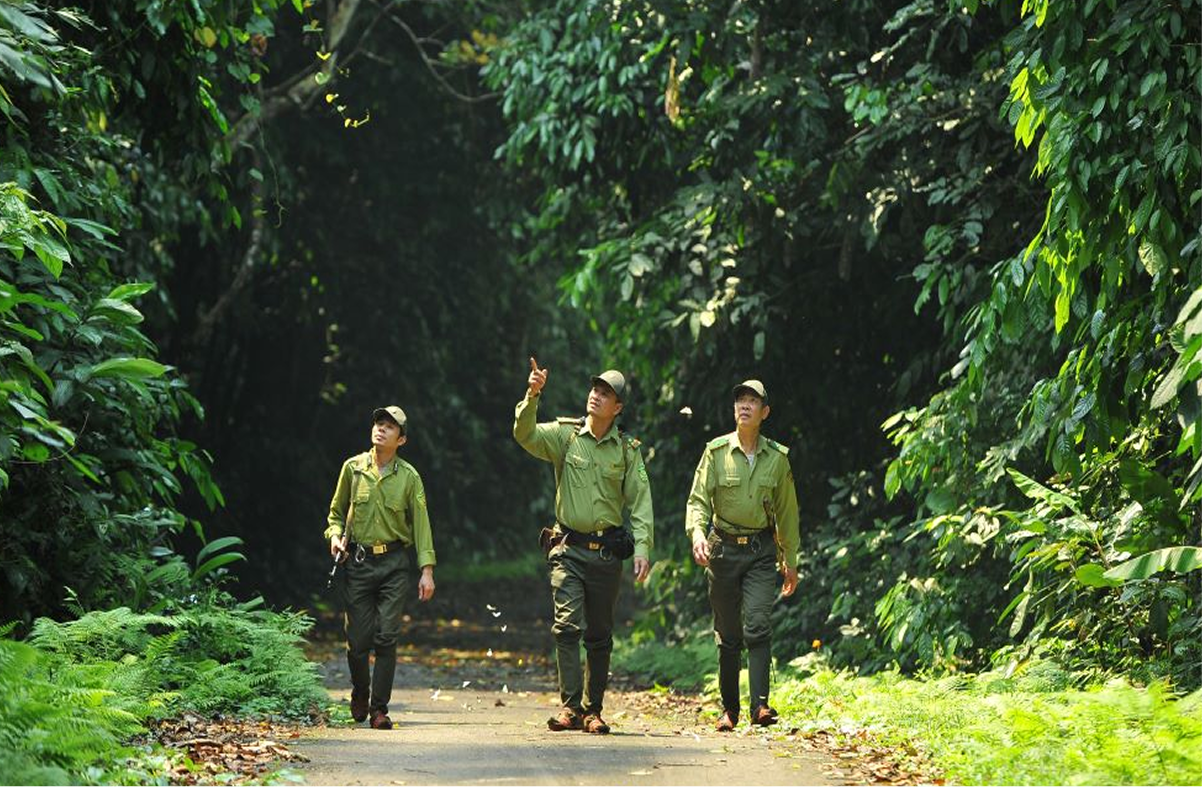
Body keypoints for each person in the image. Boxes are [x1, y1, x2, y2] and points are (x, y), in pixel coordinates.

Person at [514, 358, 654, 734]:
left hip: (607, 555)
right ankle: (570, 707)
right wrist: (533, 394)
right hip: (568, 550)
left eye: (606, 393)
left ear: (618, 408)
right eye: (595, 389)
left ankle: (593, 709)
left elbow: (640, 501)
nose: (596, 396)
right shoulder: (566, 436)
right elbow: (525, 435)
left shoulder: (627, 450)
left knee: (599, 635)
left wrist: (642, 548)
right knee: (566, 627)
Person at [686, 379, 799, 731]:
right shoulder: (716, 452)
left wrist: (791, 561)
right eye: (740, 401)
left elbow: (787, 513)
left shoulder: (777, 459)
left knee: (758, 623)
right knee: (728, 632)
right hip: (722, 549)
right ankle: (729, 709)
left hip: (761, 551)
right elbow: (698, 501)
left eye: (753, 401)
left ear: (764, 412)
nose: (745, 406)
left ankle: (761, 706)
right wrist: (697, 534)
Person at [325, 405, 436, 730]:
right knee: (357, 642)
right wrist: (334, 537)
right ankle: (360, 690)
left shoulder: (410, 478)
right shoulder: (352, 469)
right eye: (378, 423)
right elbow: (335, 513)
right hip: (358, 563)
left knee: (387, 636)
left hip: (394, 564)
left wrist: (426, 569)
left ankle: (379, 709)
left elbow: (422, 525)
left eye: (389, 427)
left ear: (401, 440)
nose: (381, 429)